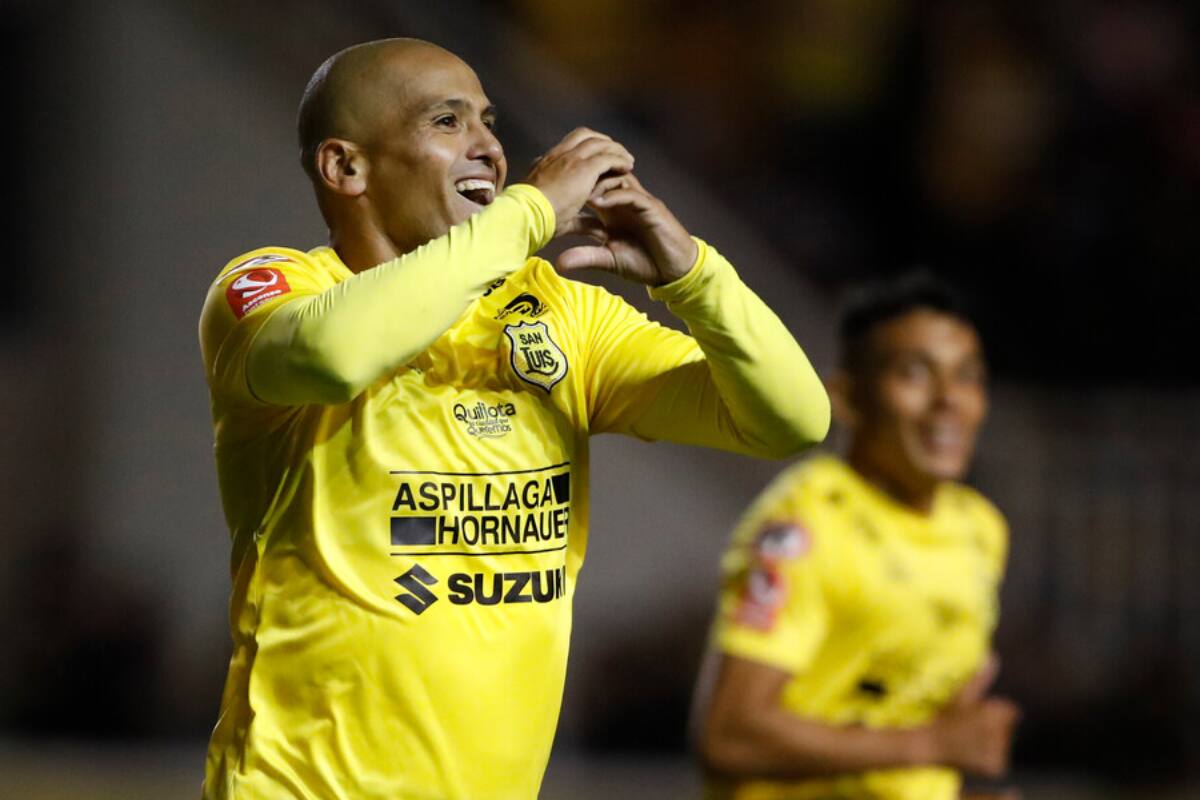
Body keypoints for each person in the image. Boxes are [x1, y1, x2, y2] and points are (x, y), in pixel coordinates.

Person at [197, 38, 829, 800]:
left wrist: (695, 277)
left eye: (489, 121)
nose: (491, 149)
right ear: (346, 168)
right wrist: (532, 212)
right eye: (447, 121)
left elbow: (792, 418)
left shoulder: (559, 312)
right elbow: (335, 356)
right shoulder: (273, 291)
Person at [693, 275, 1019, 800]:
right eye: (916, 373)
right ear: (846, 396)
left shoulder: (979, 528)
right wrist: (932, 745)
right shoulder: (807, 527)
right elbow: (729, 735)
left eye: (968, 377)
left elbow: (901, 717)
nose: (949, 401)